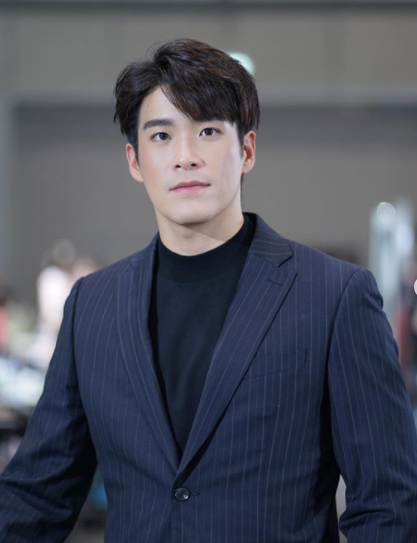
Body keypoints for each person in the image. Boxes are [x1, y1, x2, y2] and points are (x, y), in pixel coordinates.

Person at [0, 37, 416, 543]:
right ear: (134, 160)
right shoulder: (93, 305)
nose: (186, 157)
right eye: (161, 136)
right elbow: (38, 493)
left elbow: (389, 503)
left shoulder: (334, 296)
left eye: (209, 131)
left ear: (247, 150)